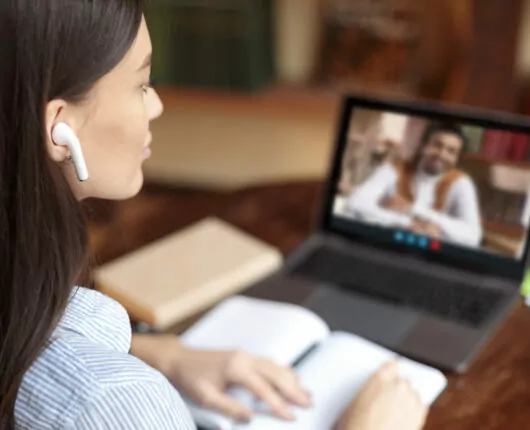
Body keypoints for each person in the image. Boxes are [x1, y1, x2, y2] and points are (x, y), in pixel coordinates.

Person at [0, 1, 427, 429]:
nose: (157, 107)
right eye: (142, 85)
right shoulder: (114, 404)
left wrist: (159, 353)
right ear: (60, 127)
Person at [347, 121, 482, 247]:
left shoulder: (461, 182)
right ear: (424, 145)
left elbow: (473, 236)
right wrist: (409, 223)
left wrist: (413, 209)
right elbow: (356, 203)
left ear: (457, 158)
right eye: (437, 145)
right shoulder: (393, 170)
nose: (441, 154)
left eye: (451, 151)